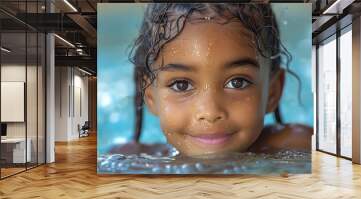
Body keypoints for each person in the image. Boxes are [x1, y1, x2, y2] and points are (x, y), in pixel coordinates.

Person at [110, 3, 312, 157]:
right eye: (181, 85)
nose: (210, 112)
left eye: (238, 82)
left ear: (272, 92)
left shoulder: (299, 145)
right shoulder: (130, 159)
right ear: (151, 96)